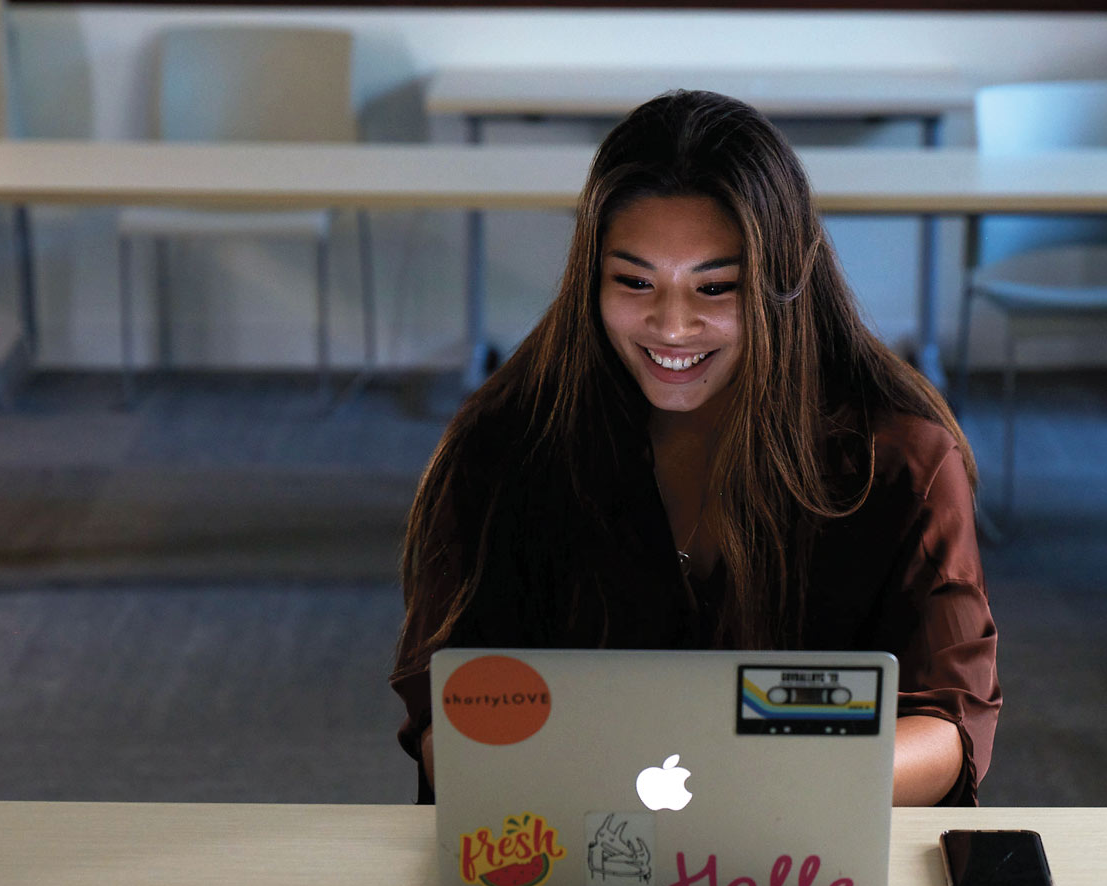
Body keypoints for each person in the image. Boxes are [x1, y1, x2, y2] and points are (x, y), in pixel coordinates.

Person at [390, 90, 1000, 807]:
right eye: (634, 281)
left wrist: (752, 792)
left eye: (715, 288)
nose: (671, 326)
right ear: (590, 277)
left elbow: (949, 726)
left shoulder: (898, 460)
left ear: (781, 285)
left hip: (799, 855)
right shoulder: (507, 443)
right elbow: (447, 711)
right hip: (561, 853)